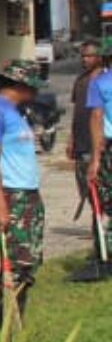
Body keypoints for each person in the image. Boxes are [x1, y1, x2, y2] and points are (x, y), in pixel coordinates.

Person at [0, 60, 47, 330]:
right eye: (33, 86)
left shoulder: (15, 112)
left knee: (28, 263)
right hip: (10, 196)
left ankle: (16, 323)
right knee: (14, 265)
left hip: (27, 195)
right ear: (20, 85)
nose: (36, 92)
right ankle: (6, 329)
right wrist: (0, 204)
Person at [75, 37, 111, 283]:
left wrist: (95, 159)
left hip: (108, 149)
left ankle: (104, 256)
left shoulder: (100, 83)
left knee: (105, 202)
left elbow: (96, 118)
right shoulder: (96, 82)